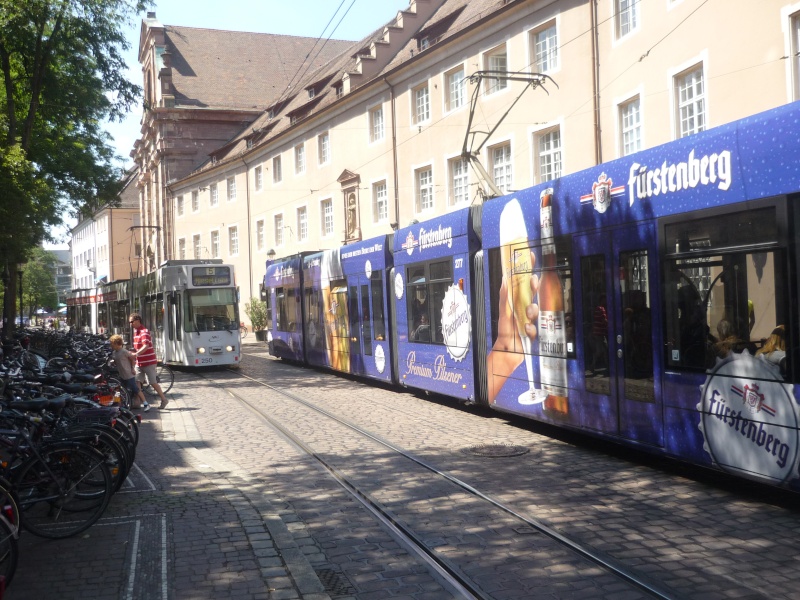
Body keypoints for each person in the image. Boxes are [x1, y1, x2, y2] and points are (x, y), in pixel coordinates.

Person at [129, 313, 169, 409]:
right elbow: (136, 347)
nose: (130, 324)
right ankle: (139, 402)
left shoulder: (144, 331)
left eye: (132, 321)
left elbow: (145, 345)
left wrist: (137, 354)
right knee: (137, 381)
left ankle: (164, 399)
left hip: (149, 362)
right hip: (139, 362)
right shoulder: (136, 332)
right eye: (130, 322)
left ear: (138, 321)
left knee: (152, 382)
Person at [109, 334, 150, 412]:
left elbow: (132, 359)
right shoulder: (114, 353)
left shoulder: (124, 351)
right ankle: (117, 403)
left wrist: (132, 368)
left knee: (136, 389)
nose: (111, 345)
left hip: (128, 374)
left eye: (112, 344)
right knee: (119, 389)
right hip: (121, 374)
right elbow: (116, 361)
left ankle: (146, 403)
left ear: (117, 343)